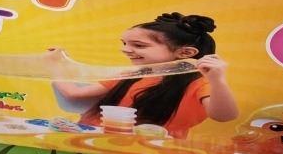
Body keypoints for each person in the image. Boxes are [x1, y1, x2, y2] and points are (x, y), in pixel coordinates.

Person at [52, 12, 239, 138]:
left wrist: (218, 81)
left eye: (138, 45)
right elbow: (73, 94)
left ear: (185, 53)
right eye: (125, 43)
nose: (126, 50)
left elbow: (224, 116)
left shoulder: (198, 83)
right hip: (97, 143)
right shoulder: (130, 74)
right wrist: (55, 64)